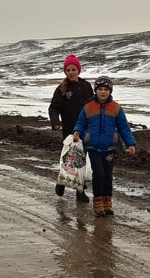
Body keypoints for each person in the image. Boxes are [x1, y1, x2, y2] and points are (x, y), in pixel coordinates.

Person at [73, 76, 137, 217]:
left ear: (110, 91)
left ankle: (107, 202)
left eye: (106, 89)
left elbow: (123, 127)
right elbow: (81, 123)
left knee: (108, 175)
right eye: (100, 89)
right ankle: (98, 203)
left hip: (109, 148)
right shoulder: (88, 107)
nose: (103, 92)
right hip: (93, 147)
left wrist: (130, 143)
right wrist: (77, 132)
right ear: (95, 90)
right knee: (99, 174)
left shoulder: (116, 107)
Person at [49, 54, 94, 202]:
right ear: (65, 71)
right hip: (69, 130)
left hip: (85, 130)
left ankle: (80, 191)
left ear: (78, 70)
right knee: (69, 159)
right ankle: (61, 182)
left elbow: (92, 106)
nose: (71, 72)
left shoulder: (86, 86)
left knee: (82, 161)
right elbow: (54, 108)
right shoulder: (61, 89)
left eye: (73, 69)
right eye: (68, 69)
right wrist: (55, 122)